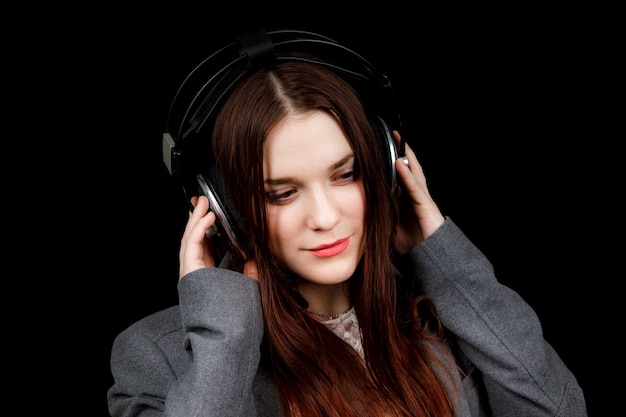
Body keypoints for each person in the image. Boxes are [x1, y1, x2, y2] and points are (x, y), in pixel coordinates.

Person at [107, 28, 587, 416]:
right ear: (223, 210)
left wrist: (446, 261)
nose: (326, 216)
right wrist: (225, 337)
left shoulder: (450, 318)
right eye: (282, 193)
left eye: (347, 174)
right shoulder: (156, 358)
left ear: (384, 170)